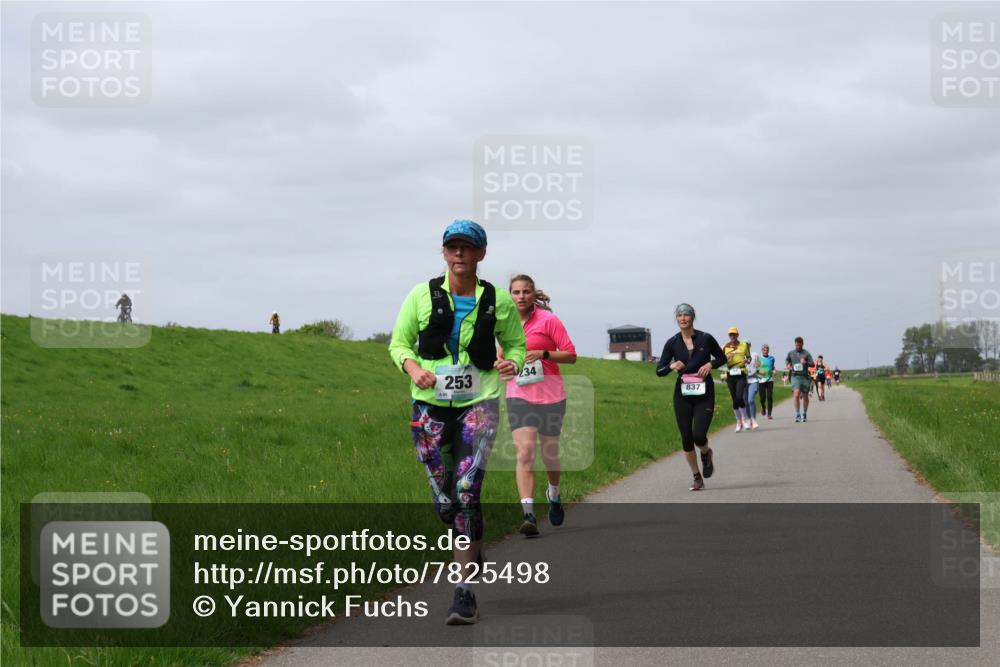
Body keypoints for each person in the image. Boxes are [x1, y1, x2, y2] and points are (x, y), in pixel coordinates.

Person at [388, 219, 526, 625]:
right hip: (429, 406)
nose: (460, 253)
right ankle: (469, 534)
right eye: (453, 247)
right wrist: (414, 369)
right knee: (446, 499)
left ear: (482, 253)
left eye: (467, 247)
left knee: (467, 490)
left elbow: (516, 345)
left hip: (479, 403)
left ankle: (464, 593)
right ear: (444, 252)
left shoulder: (497, 300)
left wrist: (512, 362)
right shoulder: (421, 295)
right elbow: (399, 344)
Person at [504, 275, 577, 537]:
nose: (521, 296)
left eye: (526, 291)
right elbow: (499, 355)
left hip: (551, 396)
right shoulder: (504, 322)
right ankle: (528, 514)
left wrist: (543, 354)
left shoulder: (548, 320)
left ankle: (554, 494)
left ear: (534, 294)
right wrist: (501, 365)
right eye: (516, 292)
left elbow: (571, 354)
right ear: (510, 295)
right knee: (524, 452)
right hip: (518, 395)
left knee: (550, 453)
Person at [656, 303, 727, 491]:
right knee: (686, 438)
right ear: (676, 319)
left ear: (692, 317)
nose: (683, 318)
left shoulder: (706, 338)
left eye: (686, 315)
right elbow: (659, 370)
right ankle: (697, 477)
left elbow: (722, 358)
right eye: (679, 315)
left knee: (699, 435)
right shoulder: (672, 342)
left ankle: (706, 453)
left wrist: (711, 364)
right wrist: (671, 366)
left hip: (704, 393)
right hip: (683, 395)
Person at [722, 327, 752, 432]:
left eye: (734, 334)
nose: (732, 336)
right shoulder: (725, 347)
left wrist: (747, 361)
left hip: (741, 374)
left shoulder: (744, 345)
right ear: (729, 336)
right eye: (731, 334)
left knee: (739, 396)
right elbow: (721, 360)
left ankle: (745, 419)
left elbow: (749, 357)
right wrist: (726, 358)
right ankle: (738, 422)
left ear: (737, 335)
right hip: (730, 375)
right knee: (734, 399)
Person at [785, 337, 815, 423]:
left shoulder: (806, 353)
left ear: (802, 344)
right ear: (795, 344)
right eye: (796, 345)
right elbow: (787, 360)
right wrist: (788, 365)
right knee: (796, 394)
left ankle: (804, 413)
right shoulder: (791, 353)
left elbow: (812, 364)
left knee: (805, 397)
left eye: (799, 345)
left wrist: (806, 362)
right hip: (795, 376)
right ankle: (797, 414)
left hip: (804, 377)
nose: (798, 346)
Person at [757, 344, 776, 419]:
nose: (766, 351)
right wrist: (759, 371)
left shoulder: (772, 358)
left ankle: (769, 414)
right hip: (761, 380)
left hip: (769, 379)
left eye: (767, 350)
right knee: (762, 397)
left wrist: (774, 370)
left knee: (769, 396)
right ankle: (763, 407)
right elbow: (755, 368)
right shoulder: (758, 358)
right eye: (764, 350)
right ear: (762, 350)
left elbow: (772, 367)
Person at [744, 344, 761, 430]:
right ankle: (748, 419)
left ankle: (754, 420)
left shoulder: (754, 354)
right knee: (745, 402)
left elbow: (758, 363)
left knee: (750, 400)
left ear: (750, 346)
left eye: (747, 345)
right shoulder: (739, 355)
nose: (746, 346)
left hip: (753, 380)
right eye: (744, 345)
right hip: (743, 381)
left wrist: (758, 365)